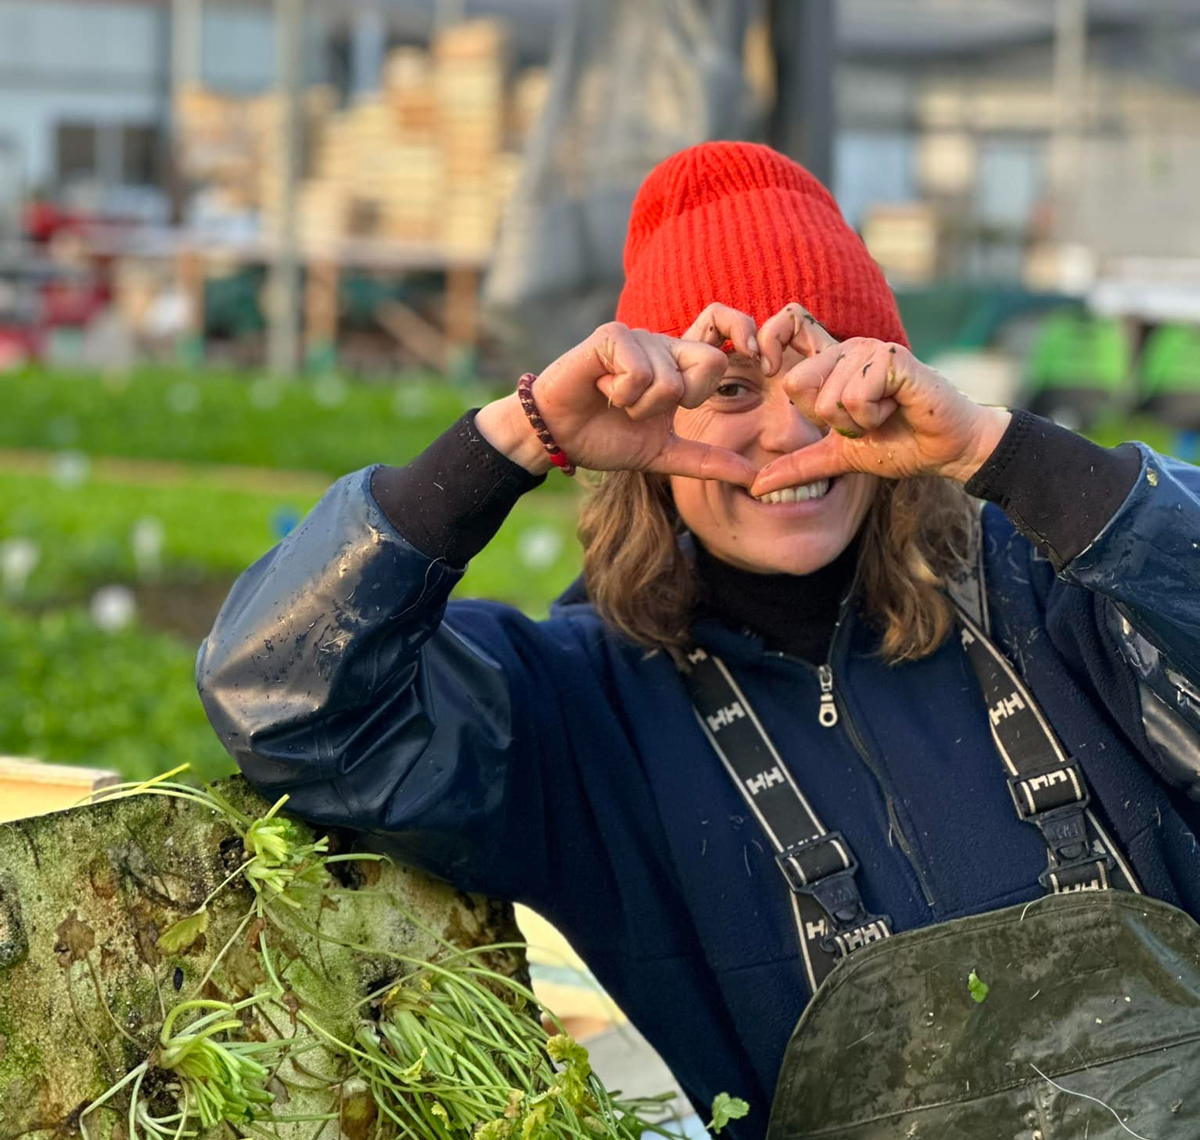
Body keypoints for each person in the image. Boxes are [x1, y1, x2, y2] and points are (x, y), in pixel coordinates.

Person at [197, 142, 1200, 1140]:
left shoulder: (1062, 595)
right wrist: (518, 433)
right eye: (727, 391)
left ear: (892, 381)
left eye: (821, 375)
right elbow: (284, 703)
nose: (787, 434)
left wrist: (997, 448)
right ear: (642, 416)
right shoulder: (580, 711)